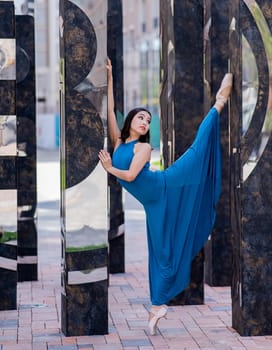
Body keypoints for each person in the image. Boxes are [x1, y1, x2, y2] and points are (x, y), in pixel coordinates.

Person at [99, 58, 233, 335]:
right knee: (161, 253)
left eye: (148, 120)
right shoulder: (119, 142)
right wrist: (110, 77)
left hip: (166, 186)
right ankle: (158, 305)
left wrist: (111, 168)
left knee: (197, 153)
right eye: (141, 117)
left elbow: (133, 176)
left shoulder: (143, 150)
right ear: (131, 121)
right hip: (154, 204)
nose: (145, 122)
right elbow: (109, 110)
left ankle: (219, 103)